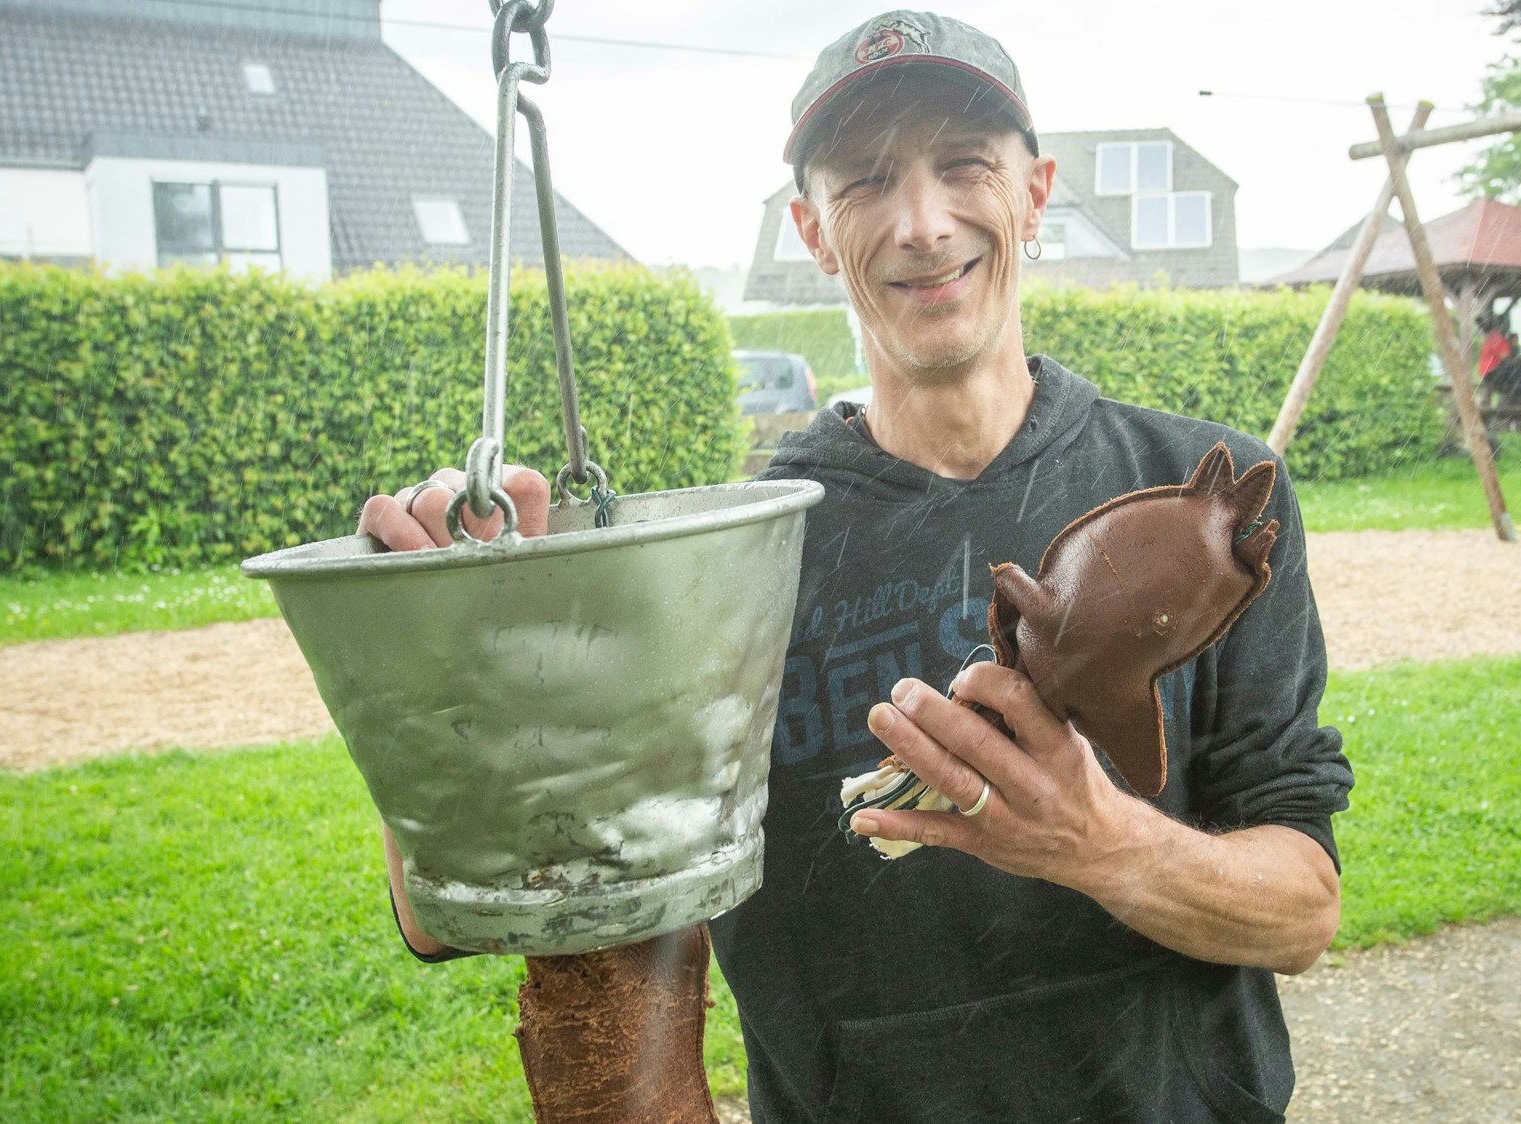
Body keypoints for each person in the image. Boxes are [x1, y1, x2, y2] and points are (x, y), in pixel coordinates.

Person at [359, 11, 1352, 1122]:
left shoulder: (1202, 505)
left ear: (1036, 192)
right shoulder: (729, 564)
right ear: (813, 230)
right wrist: (457, 664)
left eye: (964, 164)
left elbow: (1302, 909)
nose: (922, 223)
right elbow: (444, 912)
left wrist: (1097, 839)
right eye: (867, 180)